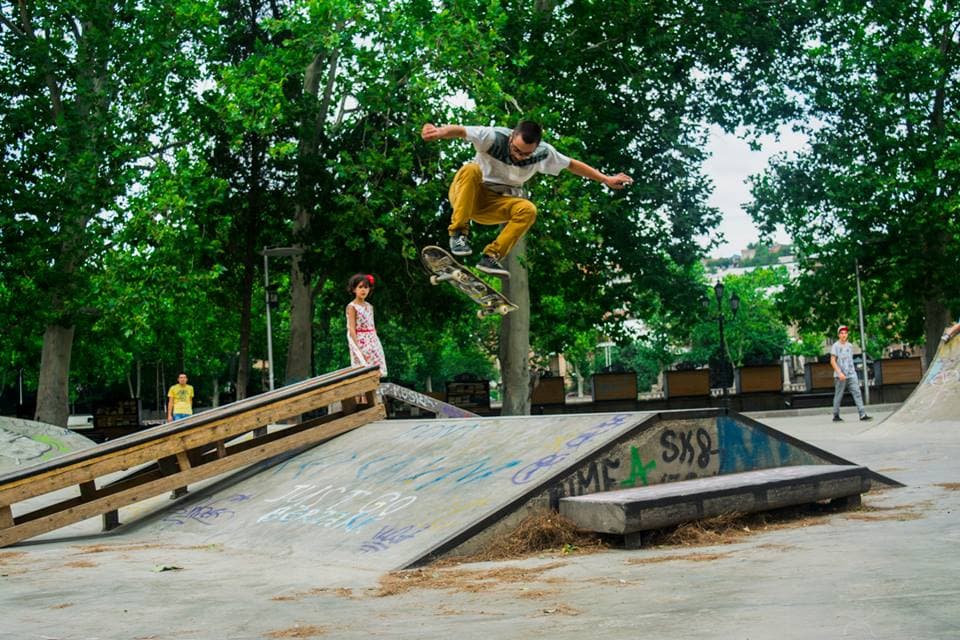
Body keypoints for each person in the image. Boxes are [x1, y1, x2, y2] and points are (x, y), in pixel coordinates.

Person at [420, 120, 633, 278]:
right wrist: (438, 132)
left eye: (525, 154)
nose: (518, 156)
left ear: (536, 147)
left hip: (494, 205)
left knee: (528, 209)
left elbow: (572, 165)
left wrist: (605, 179)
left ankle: (491, 257)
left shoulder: (544, 153)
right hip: (466, 195)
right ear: (512, 136)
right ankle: (458, 233)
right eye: (516, 150)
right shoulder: (493, 137)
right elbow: (461, 130)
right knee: (471, 169)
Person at [346, 273, 387, 377]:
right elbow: (351, 328)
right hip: (361, 341)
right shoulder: (352, 306)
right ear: (354, 289)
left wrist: (375, 342)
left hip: (372, 341)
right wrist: (357, 347)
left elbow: (372, 326)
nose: (363, 290)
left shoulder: (369, 307)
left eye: (366, 287)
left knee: (376, 371)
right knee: (363, 369)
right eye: (360, 287)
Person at [830, 326, 871, 422]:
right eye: (842, 333)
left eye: (845, 333)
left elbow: (849, 360)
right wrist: (840, 373)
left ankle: (862, 414)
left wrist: (853, 372)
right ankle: (836, 415)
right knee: (839, 395)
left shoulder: (850, 346)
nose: (844, 335)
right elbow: (832, 361)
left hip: (851, 374)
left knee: (857, 393)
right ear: (838, 335)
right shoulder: (835, 346)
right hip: (840, 376)